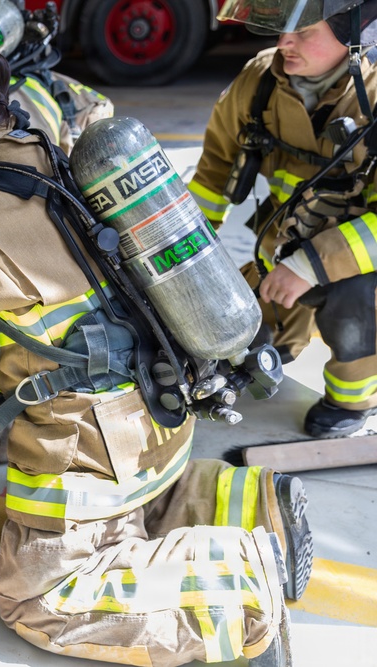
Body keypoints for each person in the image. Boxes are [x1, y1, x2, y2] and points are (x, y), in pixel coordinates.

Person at [0, 46, 313, 666]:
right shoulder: (45, 149)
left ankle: (239, 590)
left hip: (96, 447)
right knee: (132, 502)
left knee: (41, 596)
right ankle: (248, 506)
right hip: (164, 400)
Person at [188, 0, 377, 438]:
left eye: (304, 31)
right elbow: (213, 173)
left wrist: (309, 266)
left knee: (356, 305)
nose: (284, 42)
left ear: (353, 34)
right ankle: (285, 336)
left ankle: (353, 402)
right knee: (240, 343)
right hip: (282, 248)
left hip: (360, 264)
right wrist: (186, 260)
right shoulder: (260, 80)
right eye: (282, 28)